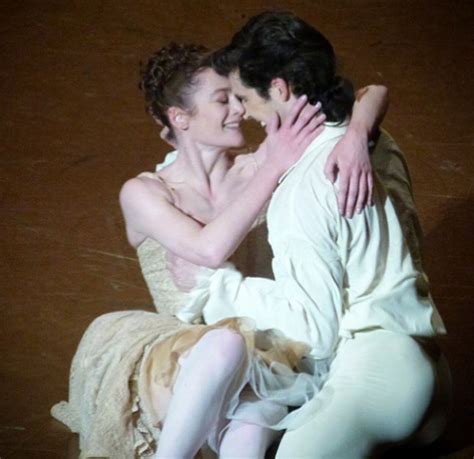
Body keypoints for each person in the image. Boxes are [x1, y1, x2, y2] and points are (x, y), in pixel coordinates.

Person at [51, 42, 390, 458]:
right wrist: (273, 166)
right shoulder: (144, 192)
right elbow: (208, 251)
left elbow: (369, 92)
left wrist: (355, 135)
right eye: (222, 100)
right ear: (181, 118)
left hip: (263, 353)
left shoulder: (258, 165)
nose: (240, 109)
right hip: (178, 361)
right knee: (225, 345)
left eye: (237, 97)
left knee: (253, 422)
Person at [168, 12, 452, 458]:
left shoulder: (304, 191)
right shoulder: (371, 139)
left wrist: (217, 285)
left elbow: (314, 331)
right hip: (428, 370)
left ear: (279, 89)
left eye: (244, 96)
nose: (241, 110)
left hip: (376, 377)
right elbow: (370, 95)